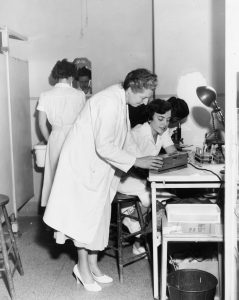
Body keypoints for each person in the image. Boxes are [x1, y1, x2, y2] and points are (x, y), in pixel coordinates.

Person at [43, 68, 162, 292]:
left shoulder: (120, 99)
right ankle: (82, 269)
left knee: (99, 218)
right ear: (131, 85)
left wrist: (146, 159)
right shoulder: (108, 102)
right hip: (83, 167)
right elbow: (105, 145)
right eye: (143, 96)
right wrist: (137, 162)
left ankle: (93, 265)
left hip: (99, 167)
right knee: (83, 219)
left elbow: (124, 138)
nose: (146, 102)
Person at [117, 99, 178, 253]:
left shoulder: (162, 132)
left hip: (144, 176)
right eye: (160, 118)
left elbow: (173, 153)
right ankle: (132, 220)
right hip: (126, 177)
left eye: (168, 119)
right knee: (153, 195)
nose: (165, 123)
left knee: (165, 194)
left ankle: (139, 231)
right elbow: (133, 163)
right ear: (150, 118)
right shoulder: (138, 133)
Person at [37, 59, 86, 207]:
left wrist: (49, 139)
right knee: (74, 177)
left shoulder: (45, 95)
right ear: (71, 76)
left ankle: (56, 222)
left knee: (54, 178)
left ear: (56, 75)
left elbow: (41, 124)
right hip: (75, 138)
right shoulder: (79, 95)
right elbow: (83, 122)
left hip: (56, 137)